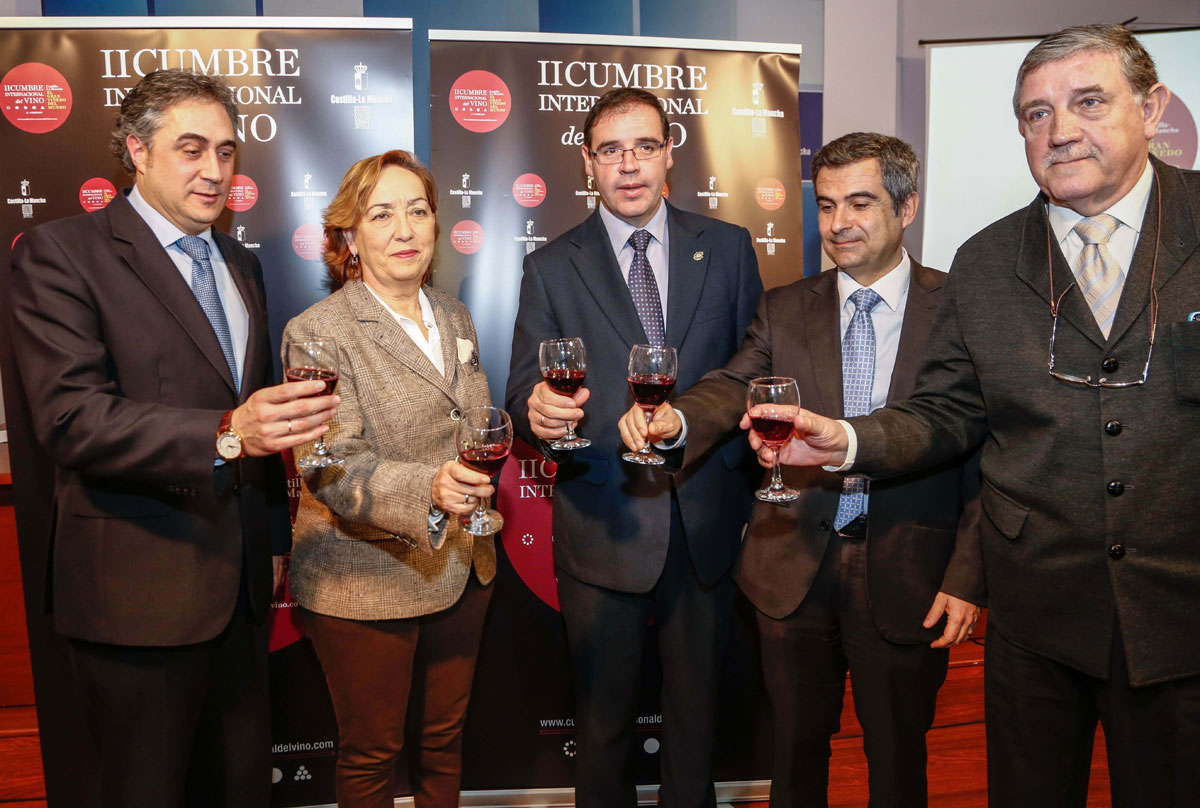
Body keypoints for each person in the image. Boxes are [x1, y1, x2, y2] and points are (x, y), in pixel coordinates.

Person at [771, 25, 1200, 808]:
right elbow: (944, 413)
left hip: (1183, 617)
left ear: (1153, 106)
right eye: (1035, 114)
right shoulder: (987, 259)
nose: (1060, 130)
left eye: (1088, 101)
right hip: (1036, 623)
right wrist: (850, 440)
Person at [619, 132, 984, 807]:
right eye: (826, 205)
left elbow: (982, 450)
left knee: (899, 762)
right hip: (790, 567)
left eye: (860, 203)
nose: (839, 223)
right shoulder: (786, 307)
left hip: (910, 569)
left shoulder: (960, 309)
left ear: (907, 208)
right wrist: (678, 421)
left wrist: (968, 576)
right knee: (791, 758)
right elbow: (734, 385)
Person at [8, 69, 337, 807]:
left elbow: (255, 415)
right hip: (135, 592)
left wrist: (275, 537)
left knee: (239, 788)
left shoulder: (241, 263)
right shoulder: (62, 254)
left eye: (226, 151)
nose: (215, 170)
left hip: (242, 588)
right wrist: (225, 434)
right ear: (136, 150)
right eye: (192, 149)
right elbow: (70, 418)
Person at [505, 87, 763, 808]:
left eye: (645, 146)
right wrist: (540, 412)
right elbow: (524, 386)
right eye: (611, 150)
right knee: (604, 726)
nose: (629, 165)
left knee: (695, 725)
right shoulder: (552, 266)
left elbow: (750, 368)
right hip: (603, 524)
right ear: (588, 162)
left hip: (705, 519)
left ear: (669, 155)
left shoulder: (731, 248)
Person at [282, 150, 495, 808]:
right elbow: (327, 463)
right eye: (382, 214)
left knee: (444, 740)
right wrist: (431, 486)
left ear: (435, 224)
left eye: (418, 210)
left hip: (462, 563)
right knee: (373, 753)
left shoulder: (454, 315)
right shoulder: (318, 333)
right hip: (362, 578)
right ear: (350, 236)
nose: (404, 229)